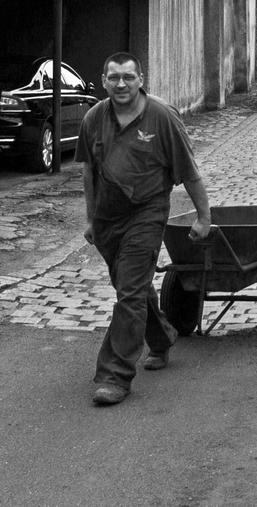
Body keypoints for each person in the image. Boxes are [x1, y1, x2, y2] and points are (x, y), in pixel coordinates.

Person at [79, 52, 212, 406]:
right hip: (108, 218)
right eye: (113, 78)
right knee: (131, 289)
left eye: (128, 77)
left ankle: (115, 375)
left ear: (141, 79)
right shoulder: (94, 118)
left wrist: (204, 216)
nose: (121, 84)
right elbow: (88, 172)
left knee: (130, 292)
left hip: (147, 213)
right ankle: (163, 336)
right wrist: (91, 220)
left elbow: (188, 170)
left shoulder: (162, 117)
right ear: (103, 81)